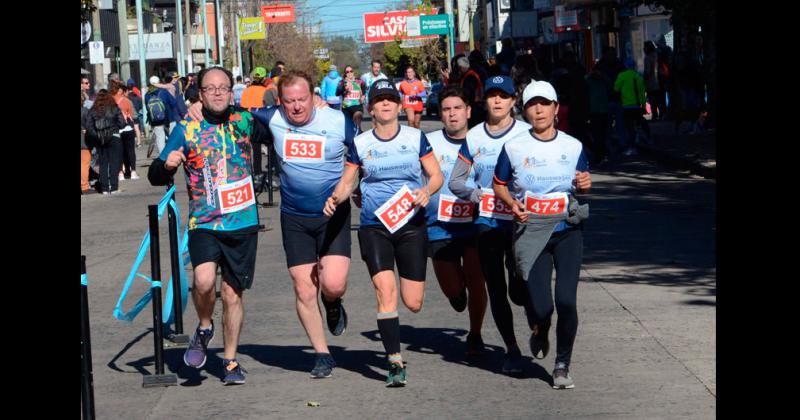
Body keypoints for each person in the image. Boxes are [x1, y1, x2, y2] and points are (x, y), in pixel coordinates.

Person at [186, 70, 356, 379]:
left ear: (313, 96)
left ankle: (333, 303)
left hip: (333, 215)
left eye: (302, 99)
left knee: (332, 284)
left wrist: (348, 187)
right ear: (280, 101)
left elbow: (358, 157)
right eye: (289, 101)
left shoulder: (337, 120)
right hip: (294, 217)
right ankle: (322, 354)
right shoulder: (271, 117)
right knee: (304, 287)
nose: (296, 107)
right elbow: (227, 110)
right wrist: (194, 106)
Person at [324, 79, 443, 387]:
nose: (386, 104)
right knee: (385, 292)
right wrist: (335, 197)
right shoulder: (361, 143)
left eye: (391, 99)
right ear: (371, 108)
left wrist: (426, 191)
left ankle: (395, 345)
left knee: (413, 302)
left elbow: (436, 175)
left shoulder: (416, 137)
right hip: (375, 226)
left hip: (411, 226)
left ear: (399, 106)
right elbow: (348, 181)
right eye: (380, 100)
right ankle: (394, 361)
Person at [148, 67, 259, 385]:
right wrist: (165, 165)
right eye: (210, 88)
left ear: (231, 90)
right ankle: (205, 325)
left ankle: (230, 361)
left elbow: (285, 121)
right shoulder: (187, 127)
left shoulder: (245, 121)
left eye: (224, 87)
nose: (218, 93)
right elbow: (157, 173)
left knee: (233, 294)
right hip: (205, 222)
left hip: (243, 222)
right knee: (204, 280)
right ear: (200, 93)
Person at [492, 80, 591, 389]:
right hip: (531, 232)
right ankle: (541, 327)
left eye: (545, 104)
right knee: (542, 306)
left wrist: (585, 185)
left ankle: (562, 365)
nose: (539, 109)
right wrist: (512, 204)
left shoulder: (573, 146)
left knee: (566, 301)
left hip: (566, 231)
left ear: (556, 108)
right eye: (533, 104)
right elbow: (499, 184)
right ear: (526, 110)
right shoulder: (514, 147)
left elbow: (582, 184)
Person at [447, 75, 533, 374]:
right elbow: (456, 180)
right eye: (492, 95)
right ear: (484, 100)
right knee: (495, 286)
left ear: (513, 101)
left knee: (521, 285)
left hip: (522, 220)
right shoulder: (474, 138)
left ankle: (537, 323)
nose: (497, 101)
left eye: (503, 96)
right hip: (487, 221)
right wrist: (478, 195)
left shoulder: (526, 133)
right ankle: (511, 349)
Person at [424, 85, 488, 355]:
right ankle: (456, 292)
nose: (452, 115)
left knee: (477, 279)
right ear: (440, 114)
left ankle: (475, 333)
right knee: (453, 289)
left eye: (458, 108)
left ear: (468, 111)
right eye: (447, 109)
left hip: (476, 222)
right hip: (439, 225)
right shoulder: (428, 142)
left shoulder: (481, 141)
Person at [85, 89, 126, 194]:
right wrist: (115, 127)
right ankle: (114, 187)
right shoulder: (114, 108)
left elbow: (89, 126)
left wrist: (97, 134)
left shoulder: (93, 109)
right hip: (114, 136)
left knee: (103, 163)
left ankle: (104, 189)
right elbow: (122, 123)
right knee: (114, 162)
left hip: (100, 139)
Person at [614, 58, 651, 155]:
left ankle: (632, 146)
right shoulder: (638, 76)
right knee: (641, 121)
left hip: (626, 105)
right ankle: (648, 137)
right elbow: (642, 93)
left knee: (629, 127)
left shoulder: (622, 75)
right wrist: (643, 105)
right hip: (637, 105)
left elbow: (616, 88)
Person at [110, 80, 140, 181]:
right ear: (120, 90)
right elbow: (131, 116)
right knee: (130, 151)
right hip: (127, 129)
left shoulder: (111, 101)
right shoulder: (127, 101)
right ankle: (133, 172)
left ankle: (120, 173)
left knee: (118, 152)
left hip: (115, 130)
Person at [144, 75, 173, 154]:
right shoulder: (163, 91)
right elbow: (172, 103)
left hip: (155, 120)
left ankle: (163, 156)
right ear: (159, 82)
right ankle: (171, 153)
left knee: (160, 138)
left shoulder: (147, 94)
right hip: (167, 118)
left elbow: (147, 108)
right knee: (171, 136)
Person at [456, 55, 486, 128]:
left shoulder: (470, 77)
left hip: (474, 106)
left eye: (459, 68)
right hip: (474, 105)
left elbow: (468, 92)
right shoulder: (469, 75)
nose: (458, 70)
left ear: (461, 67)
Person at [337, 65, 366, 130]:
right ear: (345, 73)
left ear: (353, 72)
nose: (349, 73)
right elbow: (337, 93)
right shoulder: (342, 82)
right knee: (349, 128)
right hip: (347, 107)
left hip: (358, 106)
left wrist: (363, 96)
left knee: (357, 120)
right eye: (347, 72)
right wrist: (344, 88)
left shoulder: (359, 81)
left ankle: (359, 133)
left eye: (351, 71)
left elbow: (364, 88)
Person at [643, 41, 664, 120]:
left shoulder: (647, 58)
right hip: (659, 81)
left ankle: (654, 115)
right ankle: (662, 114)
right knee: (659, 100)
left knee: (652, 100)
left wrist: (644, 80)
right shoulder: (656, 56)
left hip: (651, 83)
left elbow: (647, 71)